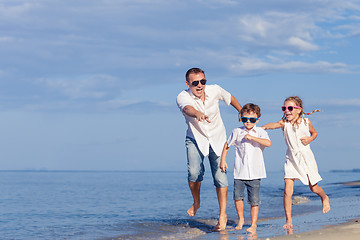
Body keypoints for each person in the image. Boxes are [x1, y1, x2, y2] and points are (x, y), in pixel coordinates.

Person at [176, 67, 242, 231]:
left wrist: (240, 110)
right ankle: (196, 202)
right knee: (194, 173)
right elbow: (186, 108)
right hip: (195, 139)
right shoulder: (183, 96)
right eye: (195, 83)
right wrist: (197, 113)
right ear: (188, 83)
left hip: (218, 139)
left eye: (202, 82)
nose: (199, 86)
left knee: (220, 177)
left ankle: (223, 216)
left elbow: (229, 97)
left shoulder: (215, 90)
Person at [262, 96, 330, 230]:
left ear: (299, 110)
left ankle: (324, 197)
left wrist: (310, 139)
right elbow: (273, 124)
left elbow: (315, 133)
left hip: (306, 159)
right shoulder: (284, 123)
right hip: (291, 159)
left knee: (314, 188)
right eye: (284, 108)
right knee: (288, 191)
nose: (287, 111)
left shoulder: (306, 122)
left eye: (290, 108)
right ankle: (288, 220)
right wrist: (263, 127)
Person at [220, 103, 271, 234]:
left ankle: (253, 224)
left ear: (257, 119)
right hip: (239, 172)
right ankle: (241, 219)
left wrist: (253, 138)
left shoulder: (260, 132)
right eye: (245, 119)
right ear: (240, 118)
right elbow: (227, 145)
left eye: (252, 120)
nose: (248, 122)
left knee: (254, 201)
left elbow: (268, 143)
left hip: (255, 172)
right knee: (237, 197)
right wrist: (223, 160)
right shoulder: (237, 131)